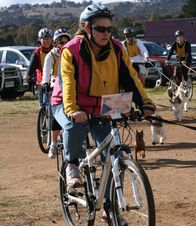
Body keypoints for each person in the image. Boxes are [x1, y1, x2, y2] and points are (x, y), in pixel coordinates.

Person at [51, 3, 155, 188]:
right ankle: (72, 164)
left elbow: (129, 77)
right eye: (100, 29)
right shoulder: (71, 50)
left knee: (114, 155)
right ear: (86, 28)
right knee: (75, 124)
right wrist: (72, 110)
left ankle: (110, 207)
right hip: (68, 102)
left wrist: (144, 103)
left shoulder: (116, 49)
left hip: (101, 104)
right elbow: (68, 83)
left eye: (109, 29)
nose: (106, 33)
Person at [41, 28, 72, 158]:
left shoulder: (72, 53)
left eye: (66, 41)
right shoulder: (51, 55)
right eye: (60, 41)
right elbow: (46, 72)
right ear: (55, 43)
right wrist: (45, 83)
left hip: (70, 85)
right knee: (55, 111)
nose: (63, 44)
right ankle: (53, 144)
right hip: (55, 86)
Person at [23, 28, 54, 104]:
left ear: (52, 39)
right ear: (40, 40)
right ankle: (43, 113)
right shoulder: (37, 53)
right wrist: (27, 76)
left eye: (48, 38)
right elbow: (31, 67)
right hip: (41, 82)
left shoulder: (56, 51)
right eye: (44, 39)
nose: (46, 41)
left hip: (54, 82)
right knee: (43, 104)